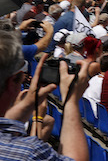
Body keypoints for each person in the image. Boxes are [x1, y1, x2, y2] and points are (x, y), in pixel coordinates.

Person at [0, 27, 90, 161]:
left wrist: (26, 105)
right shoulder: (29, 152)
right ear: (12, 82)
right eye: (22, 76)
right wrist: (71, 100)